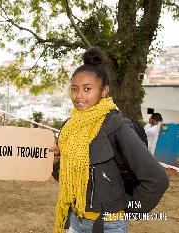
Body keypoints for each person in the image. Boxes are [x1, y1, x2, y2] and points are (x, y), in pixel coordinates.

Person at [53, 48, 169, 233]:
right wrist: (59, 160)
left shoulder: (117, 126)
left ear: (104, 90)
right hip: (74, 220)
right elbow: (65, 177)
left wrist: (126, 208)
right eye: (74, 89)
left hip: (108, 225)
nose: (79, 95)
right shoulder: (69, 127)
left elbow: (158, 179)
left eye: (87, 89)